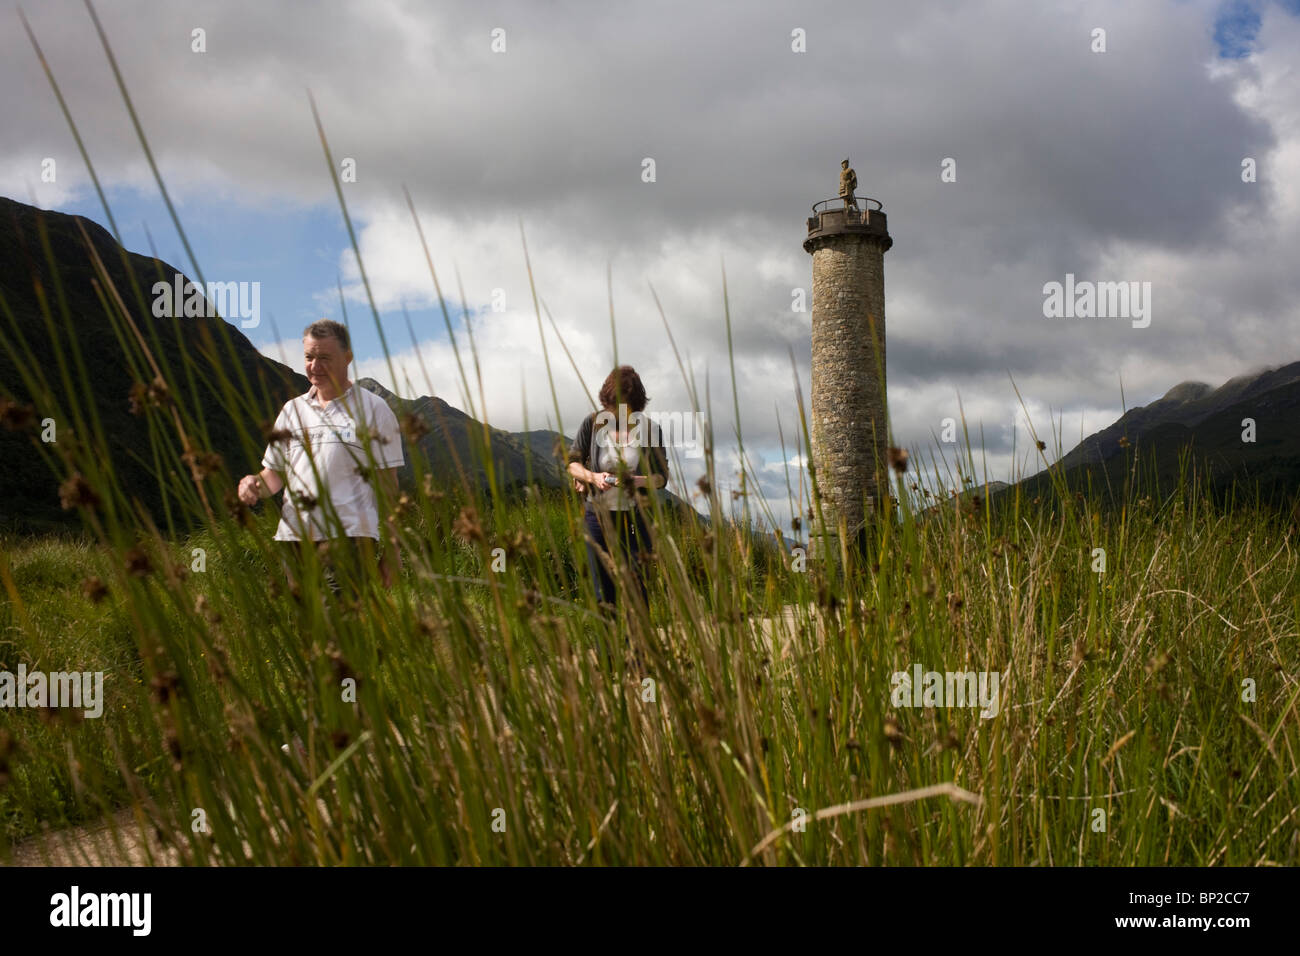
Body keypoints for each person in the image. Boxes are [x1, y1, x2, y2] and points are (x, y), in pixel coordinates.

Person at [237, 319, 404, 596]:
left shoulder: (374, 409)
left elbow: (388, 484)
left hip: (350, 539)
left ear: (347, 358)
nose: (315, 366)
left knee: (339, 630)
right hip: (294, 539)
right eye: (309, 357)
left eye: (324, 358)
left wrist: (394, 547)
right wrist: (253, 483)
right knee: (309, 633)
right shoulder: (292, 411)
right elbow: (274, 476)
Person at [566, 366, 669, 613]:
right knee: (603, 595)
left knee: (636, 591)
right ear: (606, 401)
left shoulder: (651, 430)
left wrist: (638, 481)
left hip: (635, 518)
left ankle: (638, 651)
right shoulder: (592, 423)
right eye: (614, 407)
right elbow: (572, 463)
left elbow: (662, 477)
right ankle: (607, 652)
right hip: (597, 517)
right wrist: (592, 476)